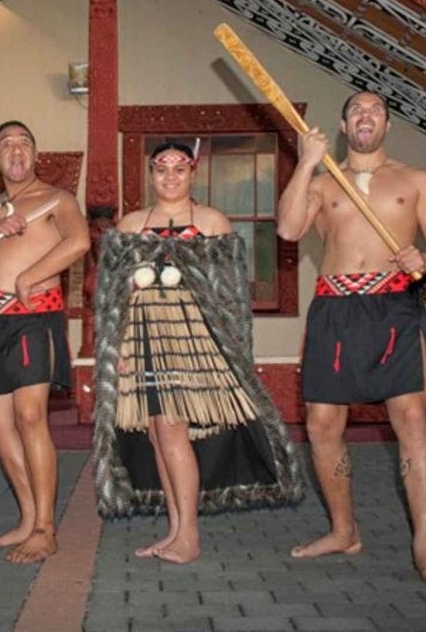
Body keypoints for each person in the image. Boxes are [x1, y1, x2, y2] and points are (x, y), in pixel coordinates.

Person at [92, 141, 303, 564]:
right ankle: (173, 530)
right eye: (161, 168)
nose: (170, 176)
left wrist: (231, 351)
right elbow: (111, 295)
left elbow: (230, 298)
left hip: (192, 342)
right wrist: (119, 348)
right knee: (156, 433)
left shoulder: (211, 222)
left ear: (193, 172)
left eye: (179, 168)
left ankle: (189, 534)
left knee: (171, 429)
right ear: (150, 173)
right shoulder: (132, 224)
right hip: (142, 337)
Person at [277, 91, 426, 587]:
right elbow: (290, 229)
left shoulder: (416, 180)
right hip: (335, 309)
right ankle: (343, 530)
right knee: (322, 424)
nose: (365, 116)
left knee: (412, 420)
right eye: (357, 109)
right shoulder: (320, 181)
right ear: (342, 123)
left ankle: (425, 546)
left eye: (376, 109)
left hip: (394, 307)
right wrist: (307, 163)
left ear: (387, 124)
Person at [0, 120, 90, 563]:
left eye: (24, 143)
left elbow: (80, 240)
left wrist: (31, 273)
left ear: (35, 154)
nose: (16, 149)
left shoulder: (56, 199)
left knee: (31, 416)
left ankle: (47, 529)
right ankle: (29, 518)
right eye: (6, 144)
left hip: (34, 317)